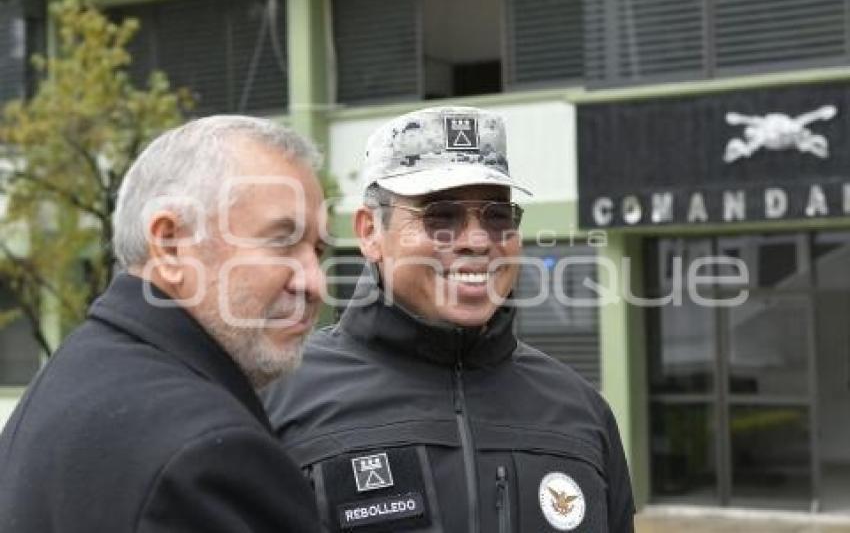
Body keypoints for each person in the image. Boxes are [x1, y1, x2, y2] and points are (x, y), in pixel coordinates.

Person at [264, 106, 635, 532]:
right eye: (441, 216)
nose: (477, 241)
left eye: (497, 216)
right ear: (369, 232)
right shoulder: (281, 399)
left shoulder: (580, 412)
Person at [0, 116, 326, 532]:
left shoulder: (79, 372)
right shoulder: (206, 454)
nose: (315, 282)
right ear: (171, 245)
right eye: (282, 241)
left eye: (317, 249)